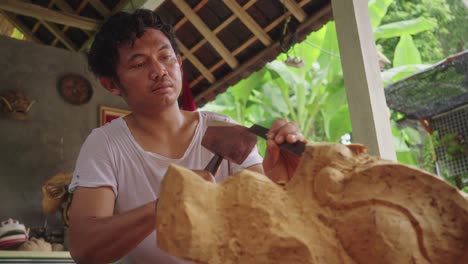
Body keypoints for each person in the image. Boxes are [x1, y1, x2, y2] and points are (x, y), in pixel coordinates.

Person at [68, 9, 307, 264]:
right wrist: (164, 206)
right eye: (139, 63)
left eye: (166, 57)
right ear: (112, 84)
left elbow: (266, 220)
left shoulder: (224, 130)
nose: (159, 70)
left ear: (179, 64)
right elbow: (85, 248)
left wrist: (282, 180)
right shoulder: (106, 144)